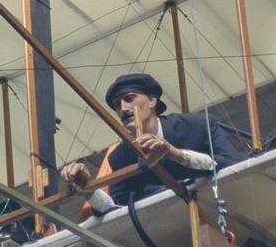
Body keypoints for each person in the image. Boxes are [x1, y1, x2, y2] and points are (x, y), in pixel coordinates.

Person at [60, 73, 245, 215]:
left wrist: (175, 154)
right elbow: (118, 209)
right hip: (177, 220)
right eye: (117, 105)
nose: (123, 108)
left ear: (152, 100)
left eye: (129, 99)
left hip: (229, 203)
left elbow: (236, 164)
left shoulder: (198, 125)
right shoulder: (121, 156)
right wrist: (88, 188)